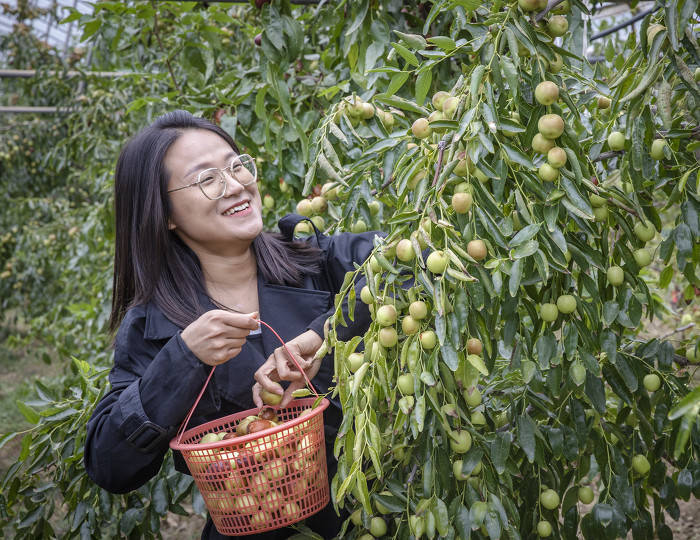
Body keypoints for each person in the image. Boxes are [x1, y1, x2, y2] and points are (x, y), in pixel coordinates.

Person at [84, 110, 378, 539]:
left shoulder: (317, 260)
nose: (237, 184)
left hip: (373, 519)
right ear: (165, 214)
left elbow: (412, 262)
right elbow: (108, 464)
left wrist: (323, 332)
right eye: (207, 179)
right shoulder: (156, 324)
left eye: (236, 165)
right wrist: (184, 358)